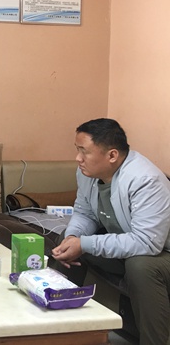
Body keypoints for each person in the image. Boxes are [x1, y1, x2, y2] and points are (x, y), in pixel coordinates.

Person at [51, 118, 170, 345]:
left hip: (161, 253)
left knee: (141, 266)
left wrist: (84, 244)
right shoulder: (87, 174)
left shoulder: (146, 181)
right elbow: (85, 213)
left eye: (84, 151)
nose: (78, 158)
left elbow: (147, 243)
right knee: (66, 241)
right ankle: (59, 329)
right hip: (133, 248)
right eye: (77, 150)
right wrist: (74, 237)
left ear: (112, 155)